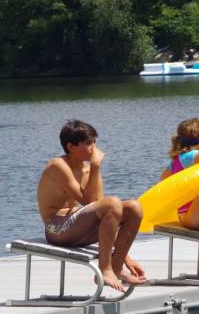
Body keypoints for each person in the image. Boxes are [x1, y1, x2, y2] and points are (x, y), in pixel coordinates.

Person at [37, 120, 146, 292]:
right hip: (56, 229)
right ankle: (105, 269)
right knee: (113, 202)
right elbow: (88, 202)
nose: (94, 148)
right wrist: (95, 166)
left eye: (94, 142)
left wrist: (126, 258)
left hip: (79, 228)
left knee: (134, 207)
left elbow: (105, 210)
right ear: (71, 147)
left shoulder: (88, 169)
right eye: (88, 143)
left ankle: (116, 267)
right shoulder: (58, 165)